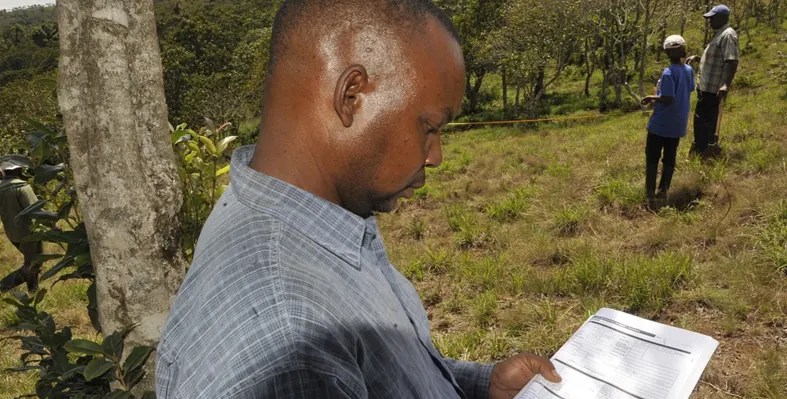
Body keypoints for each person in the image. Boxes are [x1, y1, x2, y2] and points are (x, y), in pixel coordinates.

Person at [156, 1, 562, 398]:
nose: (435, 156)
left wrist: (476, 385)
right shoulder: (291, 342)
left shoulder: (307, 222)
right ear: (351, 95)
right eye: (431, 127)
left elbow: (371, 373)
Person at [641, 35, 695, 207]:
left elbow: (668, 97)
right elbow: (691, 88)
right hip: (678, 124)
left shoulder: (668, 72)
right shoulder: (688, 70)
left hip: (661, 124)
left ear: (666, 52)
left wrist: (650, 97)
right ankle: (663, 191)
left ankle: (650, 195)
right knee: (670, 158)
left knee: (652, 158)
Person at [685, 4, 739, 158]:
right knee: (701, 120)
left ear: (721, 18)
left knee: (707, 121)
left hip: (713, 88)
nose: (709, 21)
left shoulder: (728, 35)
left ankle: (707, 151)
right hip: (706, 86)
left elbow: (731, 61)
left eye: (712, 18)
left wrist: (725, 84)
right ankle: (701, 149)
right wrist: (699, 58)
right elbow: (717, 59)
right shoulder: (719, 34)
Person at [0, 161, 43, 292]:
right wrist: (51, 224)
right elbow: (35, 209)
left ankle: (33, 291)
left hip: (12, 233)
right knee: (33, 264)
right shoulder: (23, 187)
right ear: (19, 170)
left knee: (31, 261)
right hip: (29, 232)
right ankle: (3, 286)